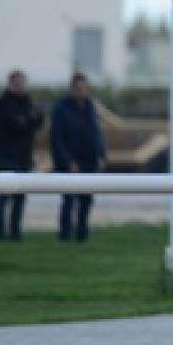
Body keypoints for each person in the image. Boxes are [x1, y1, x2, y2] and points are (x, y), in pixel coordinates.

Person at [50, 72, 107, 242]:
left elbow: (96, 132)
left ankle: (82, 234)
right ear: (72, 89)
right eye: (78, 88)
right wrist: (68, 161)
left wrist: (101, 153)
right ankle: (65, 234)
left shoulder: (90, 107)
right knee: (68, 200)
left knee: (86, 200)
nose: (81, 91)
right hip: (70, 161)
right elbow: (57, 138)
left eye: (83, 88)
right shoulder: (61, 109)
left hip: (88, 160)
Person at [0, 70, 43, 240]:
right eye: (17, 83)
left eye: (22, 83)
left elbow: (36, 120)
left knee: (20, 197)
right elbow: (13, 123)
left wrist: (26, 120)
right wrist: (25, 121)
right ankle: (0, 232)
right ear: (10, 84)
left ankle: (15, 232)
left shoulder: (28, 102)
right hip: (7, 156)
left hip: (24, 156)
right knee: (4, 196)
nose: (21, 87)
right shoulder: (3, 103)